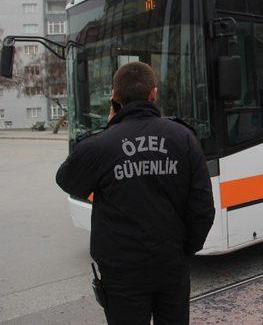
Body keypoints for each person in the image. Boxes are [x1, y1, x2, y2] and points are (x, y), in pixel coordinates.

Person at [56, 61, 215, 324]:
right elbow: (203, 208)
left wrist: (111, 126)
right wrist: (185, 251)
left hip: (122, 272)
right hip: (171, 265)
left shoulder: (99, 145)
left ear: (115, 98)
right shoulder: (184, 138)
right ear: (153, 94)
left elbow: (67, 180)